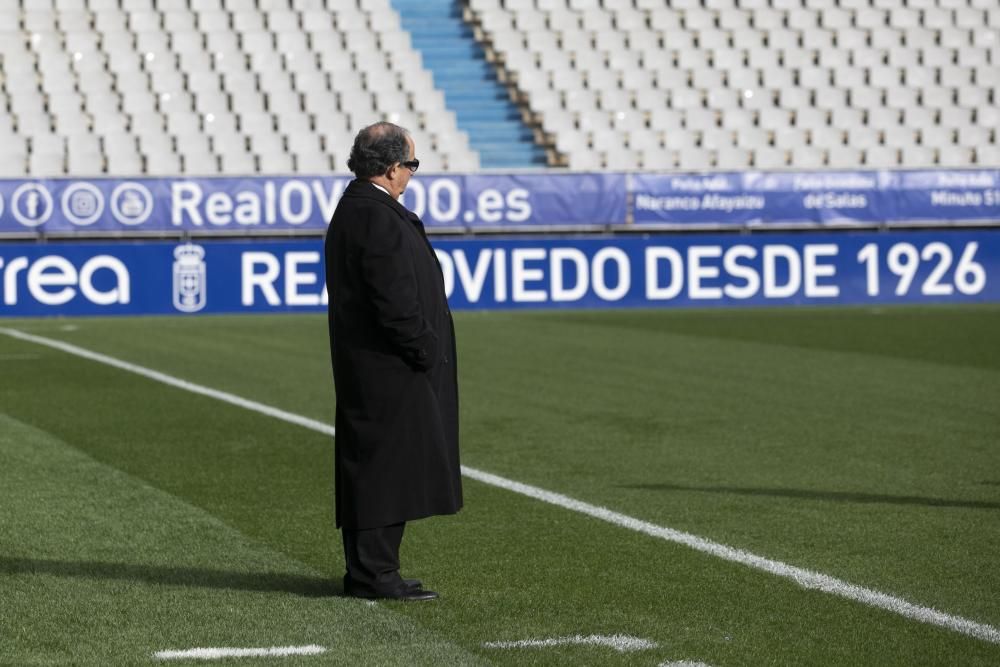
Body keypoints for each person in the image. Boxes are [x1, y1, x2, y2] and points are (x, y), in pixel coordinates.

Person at [324, 122, 462, 601]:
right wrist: (423, 347)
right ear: (390, 167)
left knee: (383, 466)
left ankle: (374, 570)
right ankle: (374, 574)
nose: (411, 174)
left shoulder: (363, 210)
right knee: (385, 469)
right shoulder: (374, 215)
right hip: (388, 368)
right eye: (411, 165)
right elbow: (393, 299)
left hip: (379, 365)